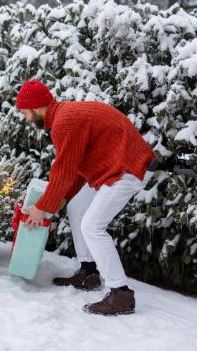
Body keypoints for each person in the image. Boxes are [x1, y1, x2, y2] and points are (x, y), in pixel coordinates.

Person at [16, 80, 157, 315]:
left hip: (128, 169)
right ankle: (89, 272)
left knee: (92, 226)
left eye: (25, 114)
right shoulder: (64, 116)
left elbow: (64, 171)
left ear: (36, 107)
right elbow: (77, 168)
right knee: (77, 209)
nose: (27, 120)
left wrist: (42, 207)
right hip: (115, 168)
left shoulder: (64, 122)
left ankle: (120, 294)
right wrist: (58, 202)